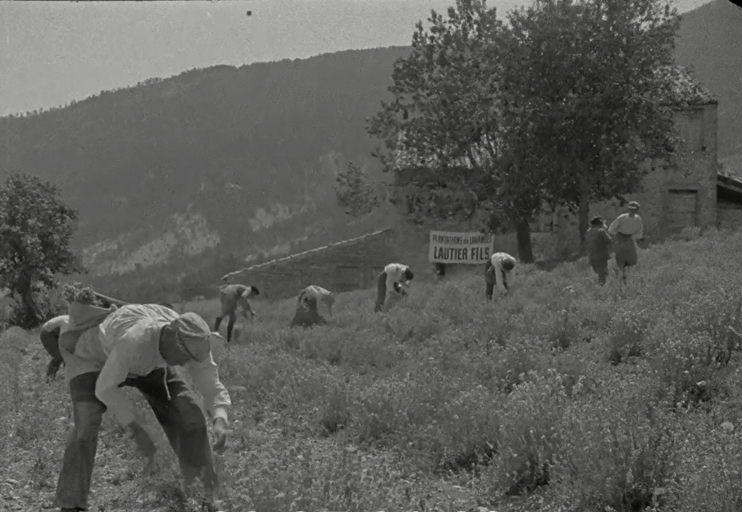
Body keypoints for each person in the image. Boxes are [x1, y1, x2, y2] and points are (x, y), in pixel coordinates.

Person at [55, 303, 231, 512]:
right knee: (86, 423)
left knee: (190, 416)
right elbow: (105, 388)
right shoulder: (135, 340)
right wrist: (137, 430)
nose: (185, 363)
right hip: (94, 359)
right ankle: (71, 503)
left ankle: (204, 498)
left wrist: (220, 418)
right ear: (170, 337)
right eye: (184, 356)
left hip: (148, 364)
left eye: (190, 359)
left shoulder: (193, 340)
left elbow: (209, 380)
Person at [608, 201, 645, 283]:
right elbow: (612, 228)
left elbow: (639, 230)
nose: (632, 211)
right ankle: (619, 277)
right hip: (620, 238)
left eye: (634, 210)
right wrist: (616, 235)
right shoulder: (622, 217)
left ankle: (628, 277)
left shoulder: (638, 219)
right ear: (628, 209)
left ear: (637, 210)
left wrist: (633, 237)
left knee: (631, 259)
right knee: (619, 258)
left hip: (630, 239)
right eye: (631, 209)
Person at [40, 314, 70, 379]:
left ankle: (68, 375)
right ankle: (49, 377)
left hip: (55, 333)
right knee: (59, 356)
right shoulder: (67, 323)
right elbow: (63, 341)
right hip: (47, 333)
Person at [585, 215, 613, 285]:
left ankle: (597, 284)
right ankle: (602, 287)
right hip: (601, 255)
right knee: (603, 273)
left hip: (591, 255)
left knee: (597, 272)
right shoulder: (601, 231)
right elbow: (609, 240)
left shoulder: (588, 231)